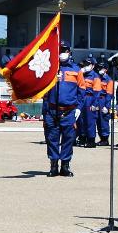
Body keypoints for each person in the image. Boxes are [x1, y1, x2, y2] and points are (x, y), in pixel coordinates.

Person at [43, 46, 87, 177]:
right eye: (59, 50)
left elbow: (82, 91)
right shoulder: (50, 68)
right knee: (52, 138)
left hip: (69, 111)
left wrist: (79, 108)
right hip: (52, 110)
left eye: (64, 51)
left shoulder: (76, 70)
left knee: (68, 139)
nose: (61, 53)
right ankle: (53, 165)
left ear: (69, 52)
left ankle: (65, 166)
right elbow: (44, 92)